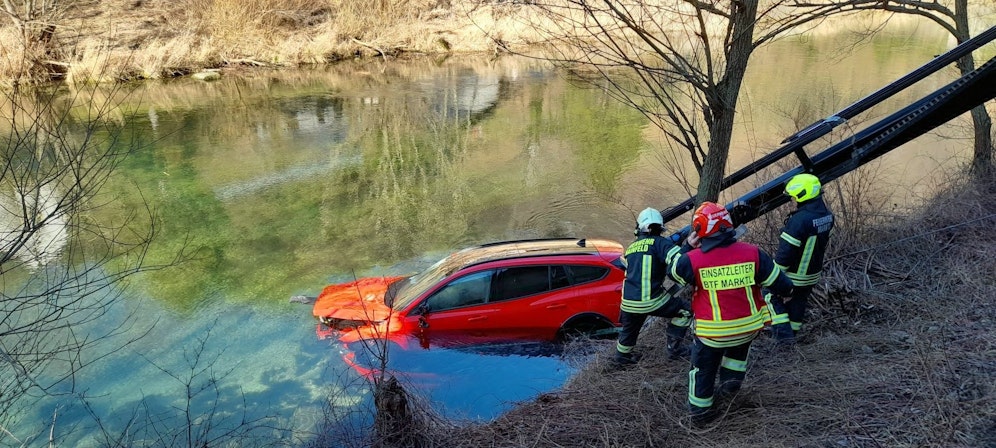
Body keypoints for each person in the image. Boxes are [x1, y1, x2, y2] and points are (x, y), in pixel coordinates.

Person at [668, 202, 793, 425]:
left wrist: (688, 245)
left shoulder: (692, 260)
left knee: (703, 371)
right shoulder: (754, 253)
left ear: (699, 229)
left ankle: (700, 416)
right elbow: (783, 286)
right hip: (748, 329)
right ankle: (729, 391)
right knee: (736, 360)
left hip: (712, 334)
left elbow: (674, 272)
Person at [613, 207, 692, 365]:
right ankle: (674, 350)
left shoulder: (631, 248)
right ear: (660, 227)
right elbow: (681, 261)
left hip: (628, 303)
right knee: (686, 311)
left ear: (639, 227)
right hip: (651, 300)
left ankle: (621, 359)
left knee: (630, 330)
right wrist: (689, 246)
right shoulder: (660, 243)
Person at [769, 173, 835, 344]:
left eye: (793, 196)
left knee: (768, 295)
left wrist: (775, 274)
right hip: (813, 274)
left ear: (802, 195)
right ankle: (793, 331)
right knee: (799, 300)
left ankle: (784, 338)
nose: (792, 200)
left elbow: (786, 253)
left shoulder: (799, 221)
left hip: (795, 275)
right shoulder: (828, 215)